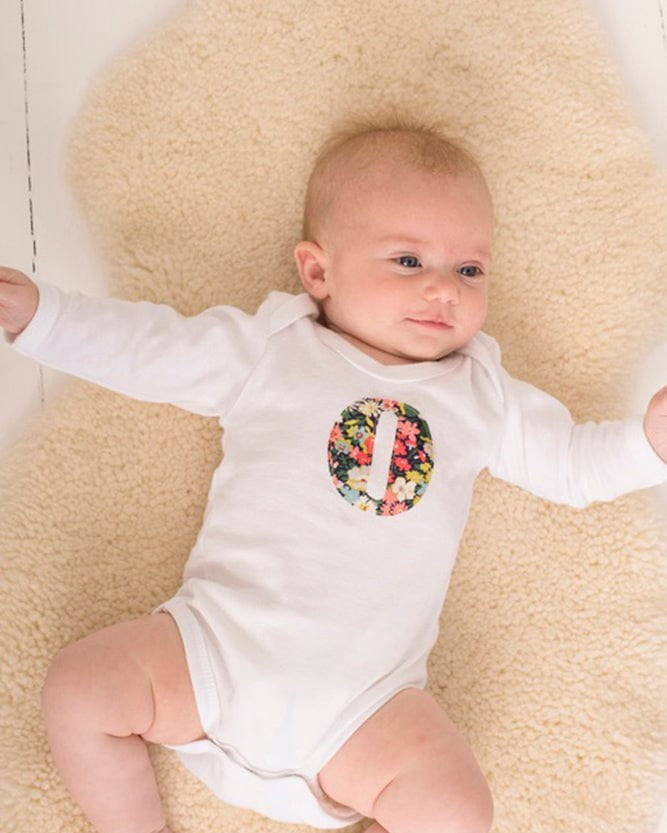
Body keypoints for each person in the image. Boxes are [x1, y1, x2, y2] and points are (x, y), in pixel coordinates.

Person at [1, 121, 666, 833]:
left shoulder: (481, 394)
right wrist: (45, 319)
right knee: (81, 688)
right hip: (214, 651)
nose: (443, 289)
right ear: (318, 271)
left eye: (469, 270)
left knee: (456, 810)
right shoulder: (274, 350)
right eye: (408, 260)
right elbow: (152, 349)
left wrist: (646, 444)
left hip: (364, 710)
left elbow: (567, 463)